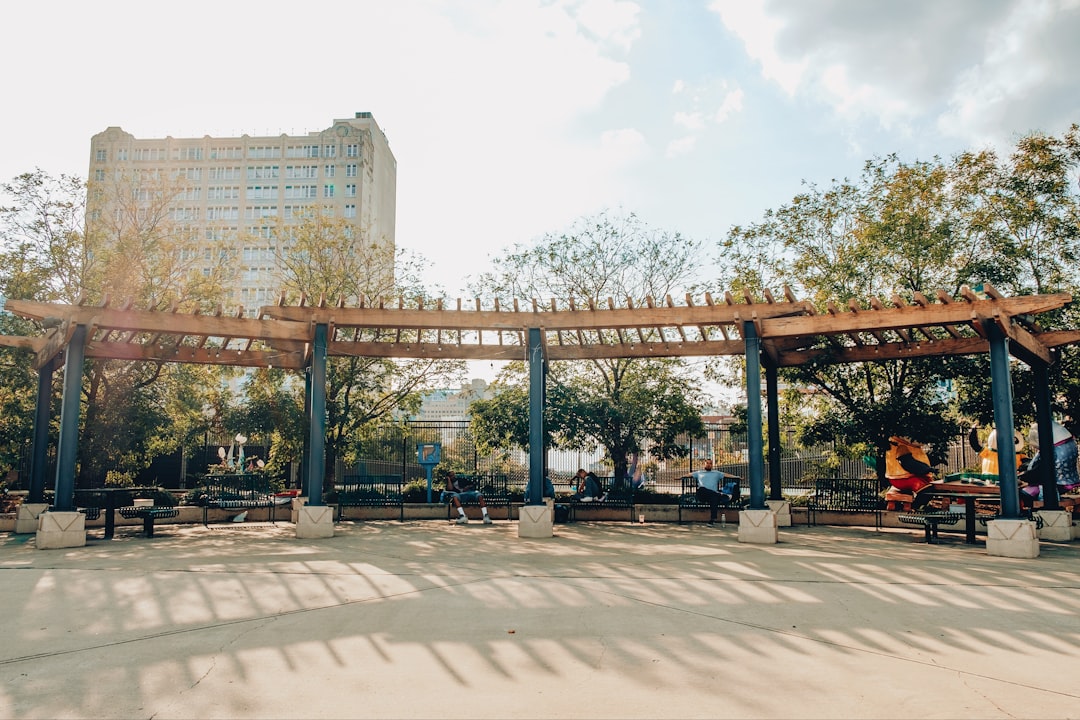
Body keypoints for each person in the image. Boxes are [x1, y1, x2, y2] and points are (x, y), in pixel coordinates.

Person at [692, 459, 730, 526]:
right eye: (707, 463)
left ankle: (712, 520)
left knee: (714, 498)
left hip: (712, 496)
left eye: (710, 463)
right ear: (704, 464)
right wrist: (679, 477)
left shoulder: (716, 473)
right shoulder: (699, 473)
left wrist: (738, 477)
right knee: (702, 488)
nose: (708, 465)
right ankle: (720, 495)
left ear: (712, 465)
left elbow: (726, 475)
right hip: (702, 495)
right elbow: (689, 475)